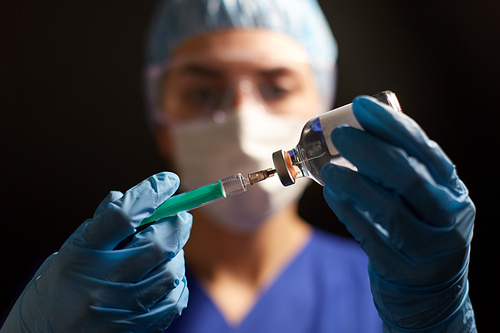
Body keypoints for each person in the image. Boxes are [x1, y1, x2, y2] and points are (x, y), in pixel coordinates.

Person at [1, 0, 476, 332]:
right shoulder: (84, 293)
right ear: (161, 122)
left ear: (323, 106)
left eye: (276, 87)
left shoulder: (399, 289)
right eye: (203, 92)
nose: (242, 120)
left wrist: (439, 322)